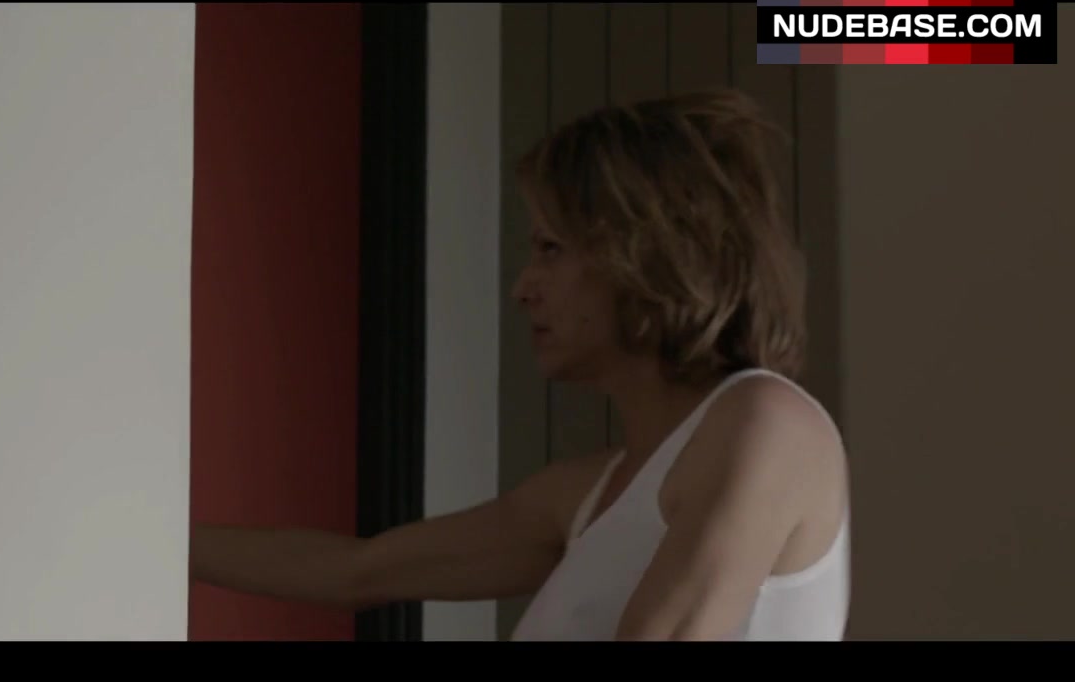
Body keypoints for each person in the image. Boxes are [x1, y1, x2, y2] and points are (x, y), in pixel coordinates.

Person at [190, 87, 851, 641]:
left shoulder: (769, 425)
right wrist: (156, 533)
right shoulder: (581, 497)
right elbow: (356, 572)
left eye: (550, 248)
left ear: (649, 254)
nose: (523, 287)